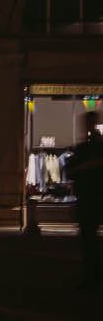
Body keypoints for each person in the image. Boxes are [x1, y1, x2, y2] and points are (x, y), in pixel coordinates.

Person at [66, 111, 103, 289]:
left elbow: (70, 171)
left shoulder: (86, 149)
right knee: (89, 241)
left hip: (89, 199)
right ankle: (92, 277)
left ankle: (91, 277)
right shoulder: (91, 148)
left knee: (89, 241)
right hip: (92, 199)